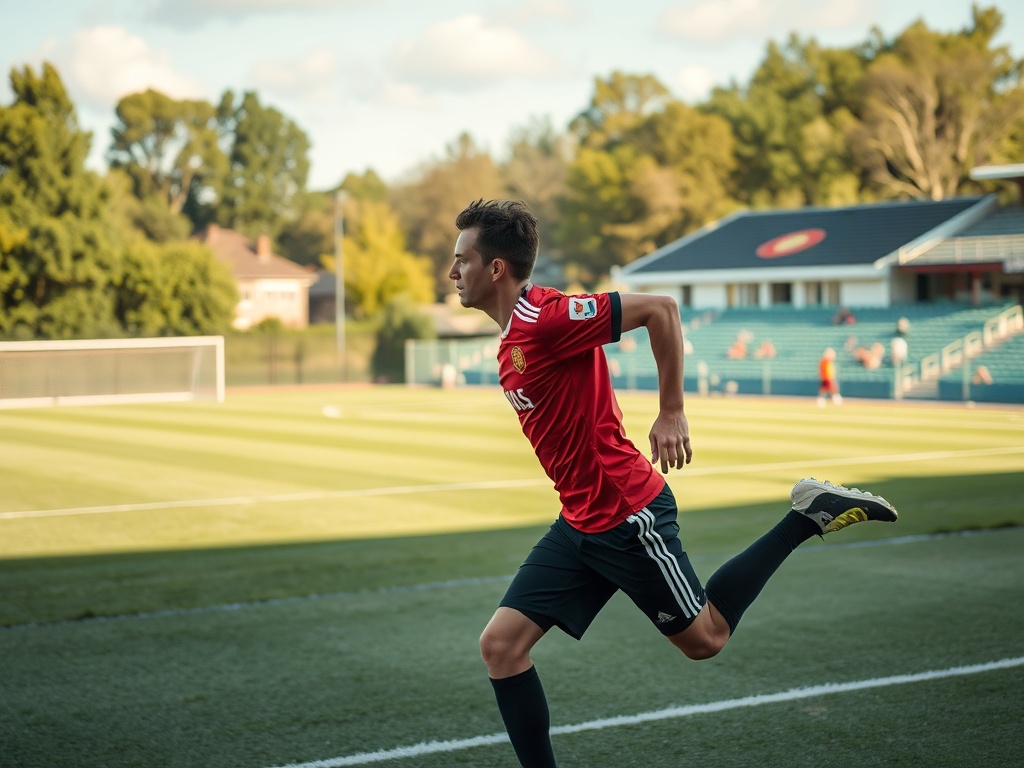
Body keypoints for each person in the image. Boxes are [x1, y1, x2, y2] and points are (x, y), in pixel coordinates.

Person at [450, 199, 897, 768]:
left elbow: (660, 309)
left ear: (495, 269)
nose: (452, 271)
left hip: (626, 514)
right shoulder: (517, 333)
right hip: (579, 520)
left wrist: (671, 412)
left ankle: (805, 517)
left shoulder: (547, 319)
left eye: (462, 259)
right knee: (501, 647)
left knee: (705, 640)